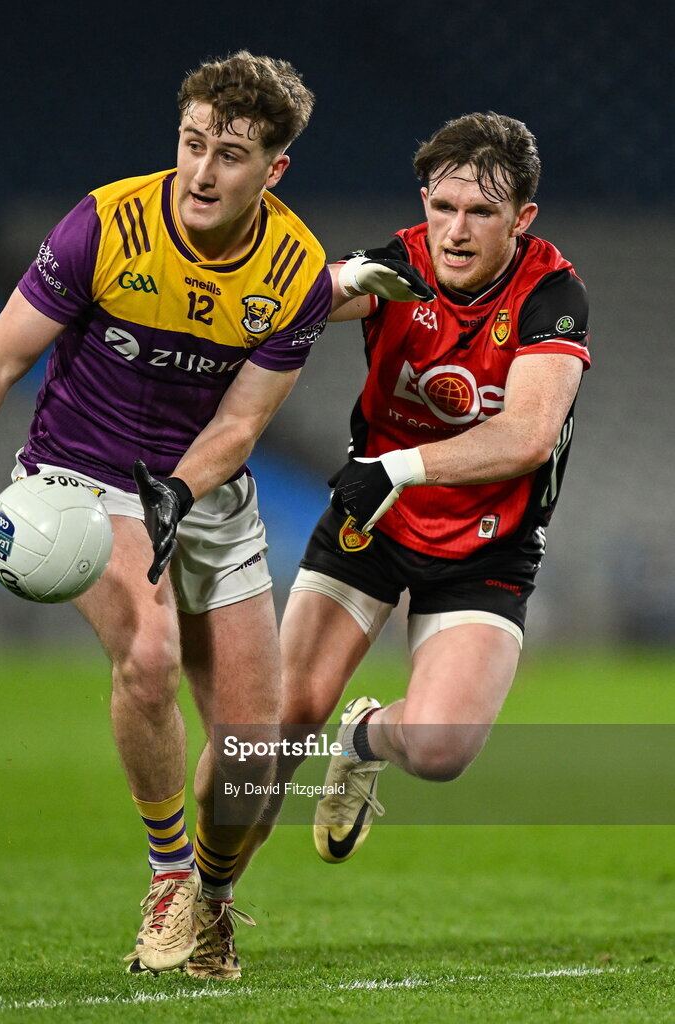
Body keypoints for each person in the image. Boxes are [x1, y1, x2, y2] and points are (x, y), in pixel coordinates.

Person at [0, 52, 431, 979]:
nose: (201, 170)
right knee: (145, 658)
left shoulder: (294, 269)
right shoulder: (103, 225)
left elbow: (239, 421)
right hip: (78, 483)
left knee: (257, 756)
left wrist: (182, 492)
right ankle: (167, 880)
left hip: (205, 496)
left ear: (274, 169)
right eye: (190, 144)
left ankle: (210, 907)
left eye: (229, 153)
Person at [234, 110, 591, 870]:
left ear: (521, 219)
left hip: (482, 544)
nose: (454, 232)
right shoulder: (395, 264)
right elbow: (271, 317)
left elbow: (525, 437)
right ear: (423, 200)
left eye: (481, 213)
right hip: (372, 527)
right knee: (282, 720)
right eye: (441, 207)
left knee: (438, 750)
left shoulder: (550, 295)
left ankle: (364, 739)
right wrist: (321, 288)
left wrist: (392, 468)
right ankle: (206, 900)